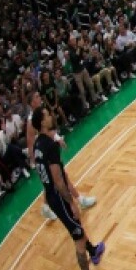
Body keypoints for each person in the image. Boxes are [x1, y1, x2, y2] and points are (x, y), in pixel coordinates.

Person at [31, 107, 111, 270]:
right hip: (59, 198)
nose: (51, 116)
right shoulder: (50, 147)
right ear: (42, 123)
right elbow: (59, 181)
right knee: (78, 237)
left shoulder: (38, 144)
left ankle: (93, 251)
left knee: (78, 228)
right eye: (47, 115)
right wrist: (72, 203)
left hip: (52, 196)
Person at [26, 91, 96, 222]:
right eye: (36, 97)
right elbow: (30, 143)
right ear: (31, 103)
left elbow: (48, 131)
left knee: (55, 182)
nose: (40, 97)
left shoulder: (42, 114)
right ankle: (79, 200)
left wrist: (57, 138)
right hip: (43, 156)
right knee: (62, 178)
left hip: (47, 151)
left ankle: (46, 207)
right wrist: (35, 163)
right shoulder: (31, 122)